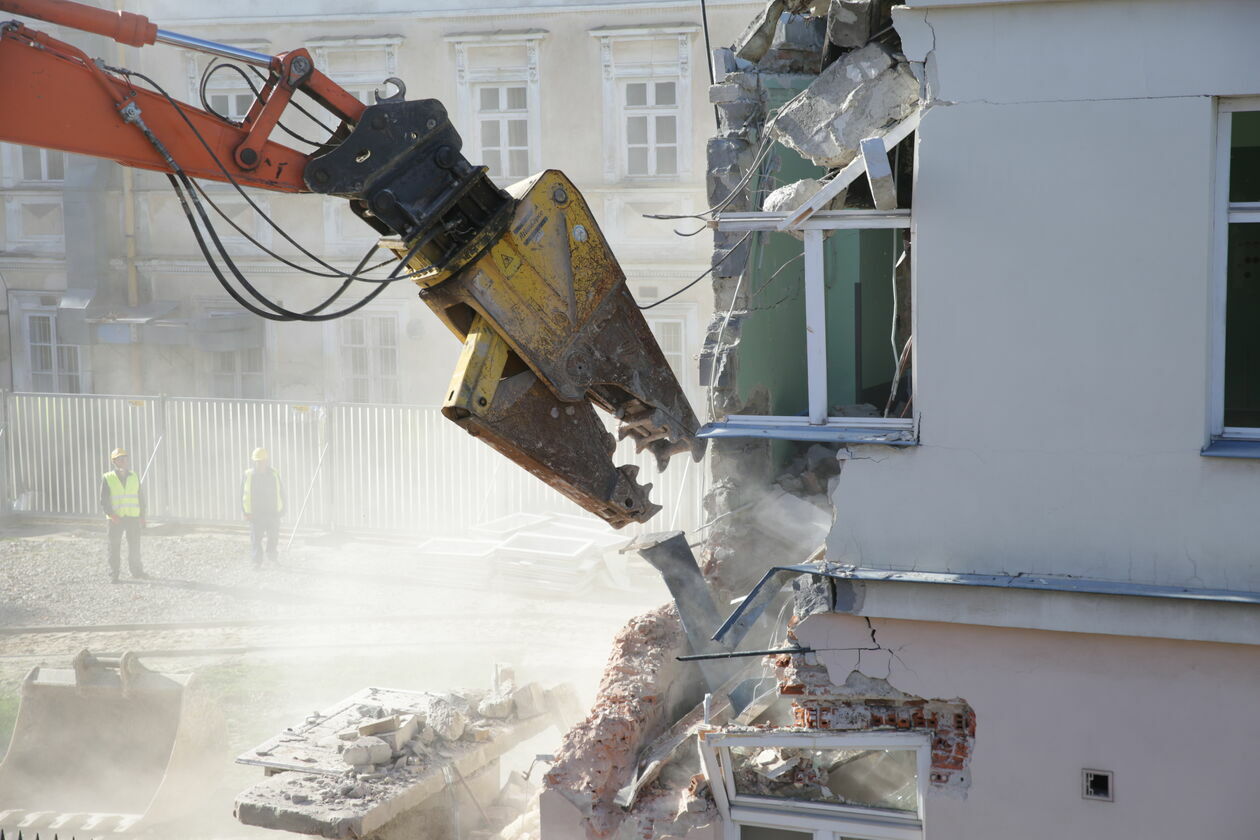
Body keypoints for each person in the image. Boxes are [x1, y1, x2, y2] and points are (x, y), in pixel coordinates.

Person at [99, 447, 147, 582]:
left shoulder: (134, 476)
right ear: (115, 461)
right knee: (114, 546)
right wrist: (111, 515)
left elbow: (140, 498)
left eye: (125, 458)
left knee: (135, 546)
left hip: (132, 517)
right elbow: (104, 500)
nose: (124, 460)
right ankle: (114, 574)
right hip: (115, 519)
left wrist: (142, 516)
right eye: (120, 459)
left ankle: (137, 571)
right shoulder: (108, 478)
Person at [242, 447, 285, 567]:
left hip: (272, 513)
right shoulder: (249, 475)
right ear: (254, 462)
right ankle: (257, 561)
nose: (260, 463)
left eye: (262, 461)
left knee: (273, 537)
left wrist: (283, 508)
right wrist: (246, 512)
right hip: (256, 514)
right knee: (256, 539)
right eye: (258, 461)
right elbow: (243, 494)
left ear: (266, 460)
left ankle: (272, 558)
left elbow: (281, 491)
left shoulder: (274, 474)